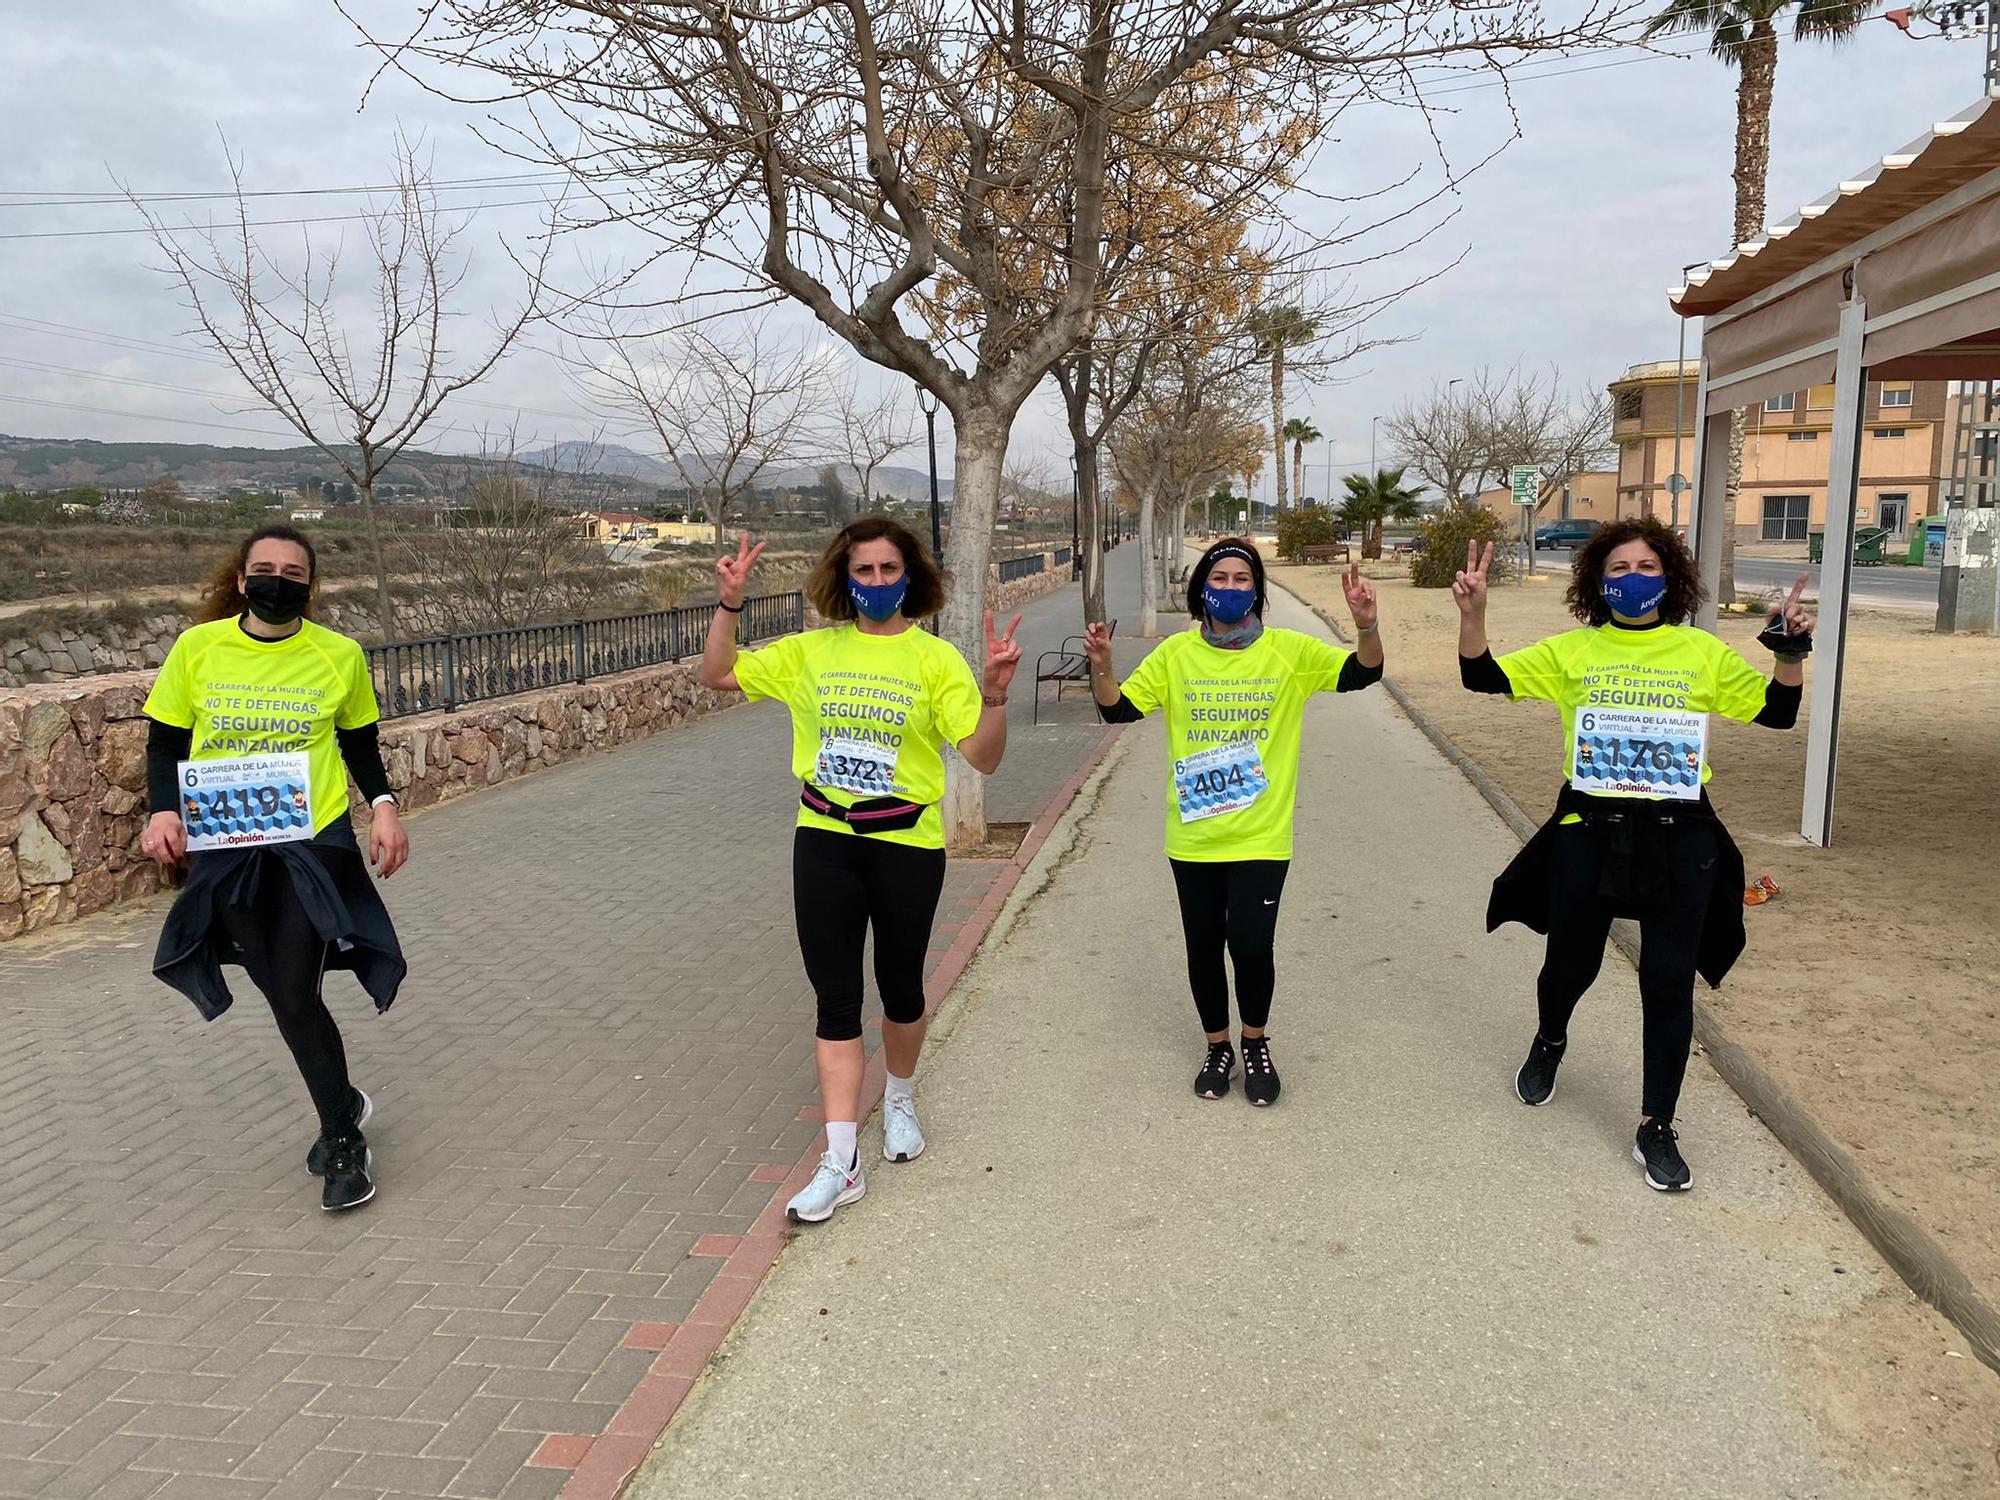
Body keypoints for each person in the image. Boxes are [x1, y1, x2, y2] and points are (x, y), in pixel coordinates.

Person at [1452, 518, 1812, 1192]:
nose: (1632, 579)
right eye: (1618, 569)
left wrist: (1790, 651)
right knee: (1569, 965)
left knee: (1668, 983)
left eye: (1647, 567)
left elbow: (1776, 713)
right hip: (1591, 830)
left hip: (1680, 835)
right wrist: (1474, 615)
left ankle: (1657, 1124)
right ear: (1595, 581)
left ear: (1671, 579)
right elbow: (1483, 678)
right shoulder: (1574, 651)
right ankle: (1550, 1038)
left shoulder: (1698, 652)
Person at [699, 518, 1022, 1224]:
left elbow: (985, 758)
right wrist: (729, 604)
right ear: (843, 579)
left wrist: (995, 693)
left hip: (906, 845)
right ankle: (840, 1161)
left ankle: (900, 1099)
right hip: (825, 841)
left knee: (901, 989)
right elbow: (718, 674)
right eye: (864, 572)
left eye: (887, 570)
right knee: (835, 997)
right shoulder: (812, 651)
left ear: (911, 578)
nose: (876, 583)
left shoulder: (935, 662)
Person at [141, 524, 409, 1213]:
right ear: (240, 579)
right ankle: (341, 1097)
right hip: (225, 847)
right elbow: (167, 740)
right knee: (281, 990)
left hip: (310, 844)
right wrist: (163, 812)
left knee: (292, 988)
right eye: (265, 568)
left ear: (309, 586)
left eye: (293, 572)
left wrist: (383, 807)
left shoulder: (337, 655)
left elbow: (359, 742)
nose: (278, 580)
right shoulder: (199, 649)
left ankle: (342, 1142)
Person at [1083, 537, 1383, 1105]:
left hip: (1261, 836)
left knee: (1250, 945)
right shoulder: (1175, 656)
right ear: (1201, 590)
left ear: (1257, 592)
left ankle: (1255, 1042)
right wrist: (1103, 668)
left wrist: (1366, 627)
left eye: (1241, 581)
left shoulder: (1289, 653)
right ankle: (1217, 1044)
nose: (1229, 590)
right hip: (1193, 837)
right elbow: (1117, 708)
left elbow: (1362, 674)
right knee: (1203, 946)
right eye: (1218, 580)